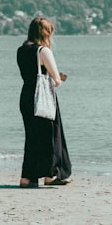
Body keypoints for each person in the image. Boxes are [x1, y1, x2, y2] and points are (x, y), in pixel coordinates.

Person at [16, 16, 72, 187]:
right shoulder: (43, 51)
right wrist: (60, 78)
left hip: (26, 95)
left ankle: (28, 177)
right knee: (50, 135)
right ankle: (50, 175)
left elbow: (29, 74)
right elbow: (55, 79)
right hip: (42, 97)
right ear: (45, 33)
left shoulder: (21, 50)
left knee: (32, 137)